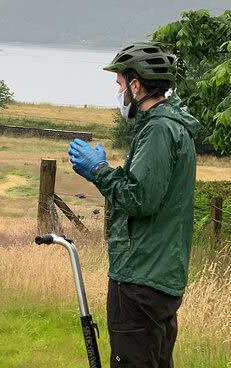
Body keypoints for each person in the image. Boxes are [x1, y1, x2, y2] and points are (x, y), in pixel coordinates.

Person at [68, 43, 200, 368]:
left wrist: (98, 172)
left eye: (119, 83)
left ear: (136, 85)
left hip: (142, 276)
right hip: (156, 273)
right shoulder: (168, 126)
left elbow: (140, 199)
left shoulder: (158, 129)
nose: (118, 91)